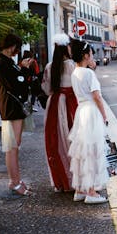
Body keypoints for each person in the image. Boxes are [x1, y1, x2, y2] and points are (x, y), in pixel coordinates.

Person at [68, 39, 109, 204]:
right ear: (86, 55)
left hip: (81, 111)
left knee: (81, 151)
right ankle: (91, 192)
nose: (92, 57)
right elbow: (97, 97)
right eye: (91, 54)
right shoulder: (89, 73)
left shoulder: (75, 72)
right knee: (92, 151)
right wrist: (104, 116)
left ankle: (80, 189)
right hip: (91, 112)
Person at [0, 34, 33, 196]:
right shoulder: (2, 63)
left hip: (13, 109)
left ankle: (16, 180)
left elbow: (20, 82)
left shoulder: (8, 63)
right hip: (10, 109)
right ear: (11, 46)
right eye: (17, 47)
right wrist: (23, 69)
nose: (17, 51)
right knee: (12, 147)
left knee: (14, 145)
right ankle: (14, 182)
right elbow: (16, 84)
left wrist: (22, 70)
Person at [41, 33, 78, 193]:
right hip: (70, 105)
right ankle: (77, 180)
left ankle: (62, 180)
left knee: (57, 142)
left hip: (54, 105)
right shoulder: (72, 65)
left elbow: (46, 89)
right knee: (74, 141)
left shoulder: (50, 66)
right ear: (66, 48)